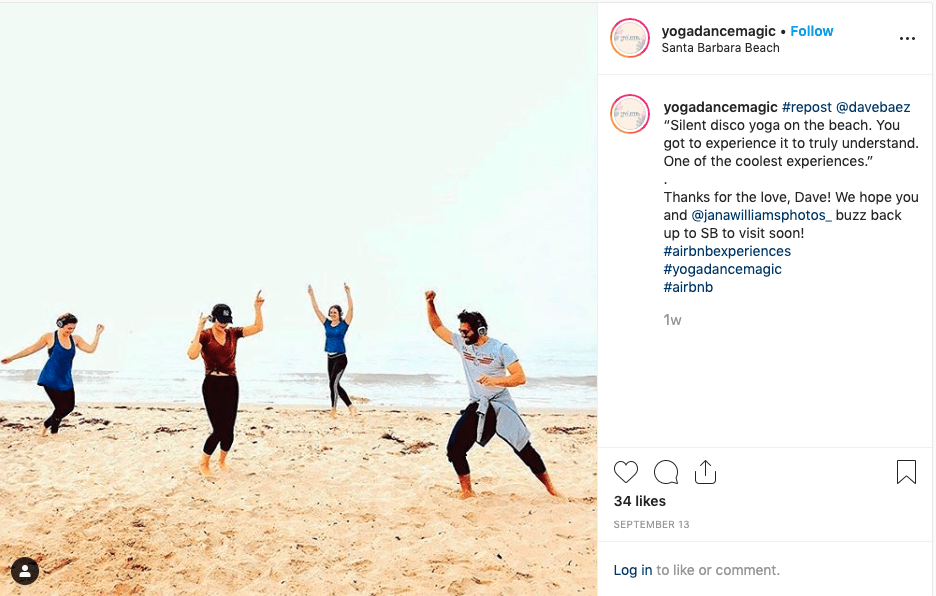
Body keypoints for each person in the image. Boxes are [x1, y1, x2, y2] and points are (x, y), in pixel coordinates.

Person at [424, 290, 559, 499]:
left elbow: (520, 377)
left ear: (480, 329)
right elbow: (437, 327)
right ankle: (467, 492)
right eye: (460, 331)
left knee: (523, 448)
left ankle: (552, 489)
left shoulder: (501, 349)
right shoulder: (462, 343)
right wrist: (430, 303)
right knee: (454, 450)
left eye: (466, 331)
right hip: (478, 405)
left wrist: (495, 380)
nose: (462, 335)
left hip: (500, 405)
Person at [187, 291, 264, 477]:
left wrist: (257, 308)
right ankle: (204, 463)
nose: (224, 324)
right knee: (219, 429)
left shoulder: (233, 333)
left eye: (226, 321)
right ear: (214, 318)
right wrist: (199, 327)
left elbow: (258, 327)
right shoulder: (205, 335)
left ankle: (222, 460)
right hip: (212, 384)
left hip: (231, 383)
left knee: (229, 430)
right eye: (221, 320)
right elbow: (192, 354)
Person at [2, 313, 104, 436]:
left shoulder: (75, 339)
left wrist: (97, 334)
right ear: (60, 325)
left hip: (66, 378)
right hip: (50, 378)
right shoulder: (50, 337)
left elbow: (90, 349)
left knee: (69, 407)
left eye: (73, 328)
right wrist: (12, 358)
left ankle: (46, 425)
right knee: (60, 407)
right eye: (69, 328)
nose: (70, 331)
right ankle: (53, 432)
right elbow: (30, 349)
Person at [307, 283, 358, 418]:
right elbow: (316, 309)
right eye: (330, 312)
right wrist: (312, 295)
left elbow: (351, 309)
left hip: (341, 357)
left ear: (339, 314)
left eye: (334, 312)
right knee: (334, 384)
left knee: (333, 383)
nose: (332, 314)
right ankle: (351, 407)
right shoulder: (327, 324)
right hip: (330, 358)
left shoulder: (344, 325)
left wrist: (348, 293)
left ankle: (333, 410)